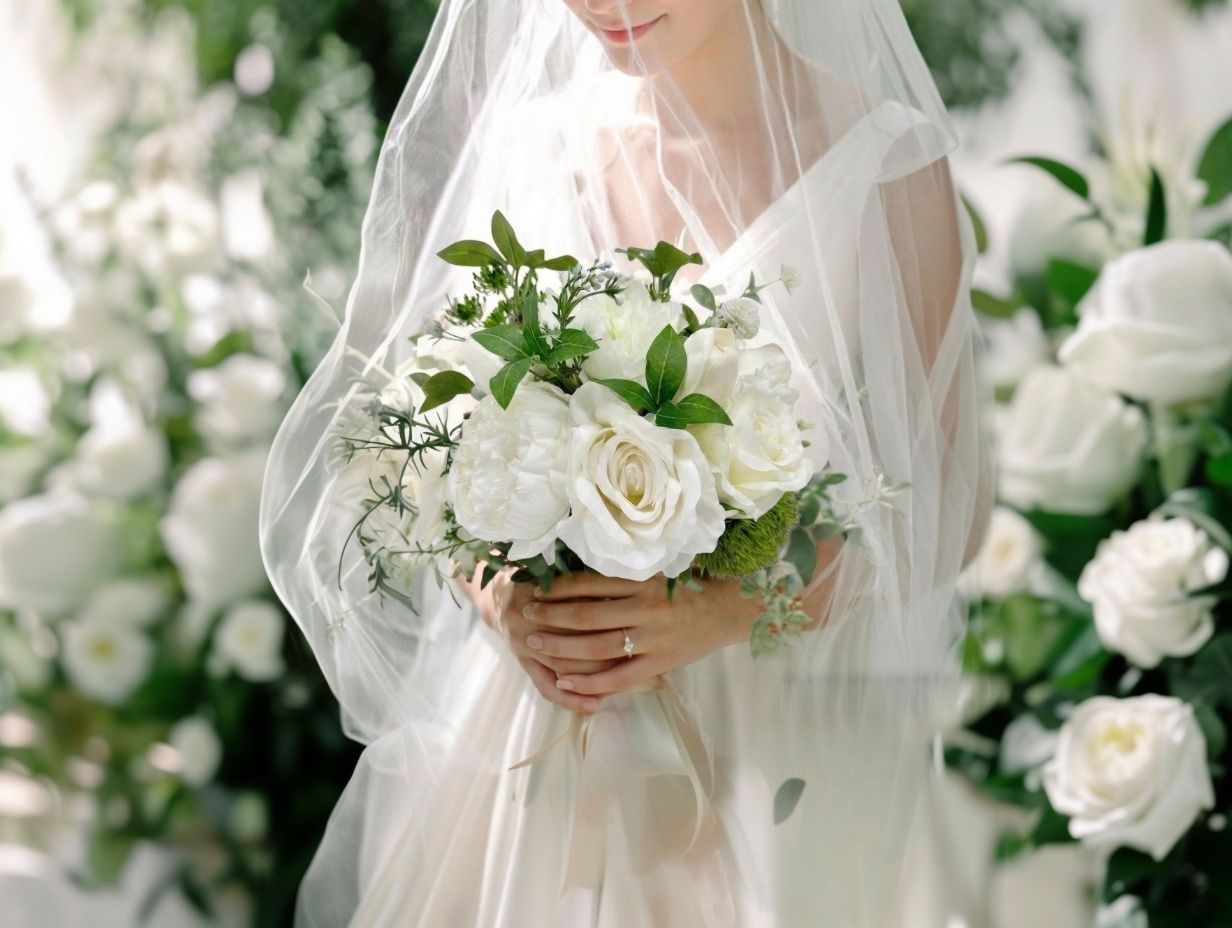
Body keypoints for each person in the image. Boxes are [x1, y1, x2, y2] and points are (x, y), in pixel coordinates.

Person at [259, 1, 993, 925]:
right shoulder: (532, 145)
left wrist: (717, 615)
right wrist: (507, 601)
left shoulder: (886, 165)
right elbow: (441, 436)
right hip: (541, 741)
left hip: (774, 750)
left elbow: (945, 509)